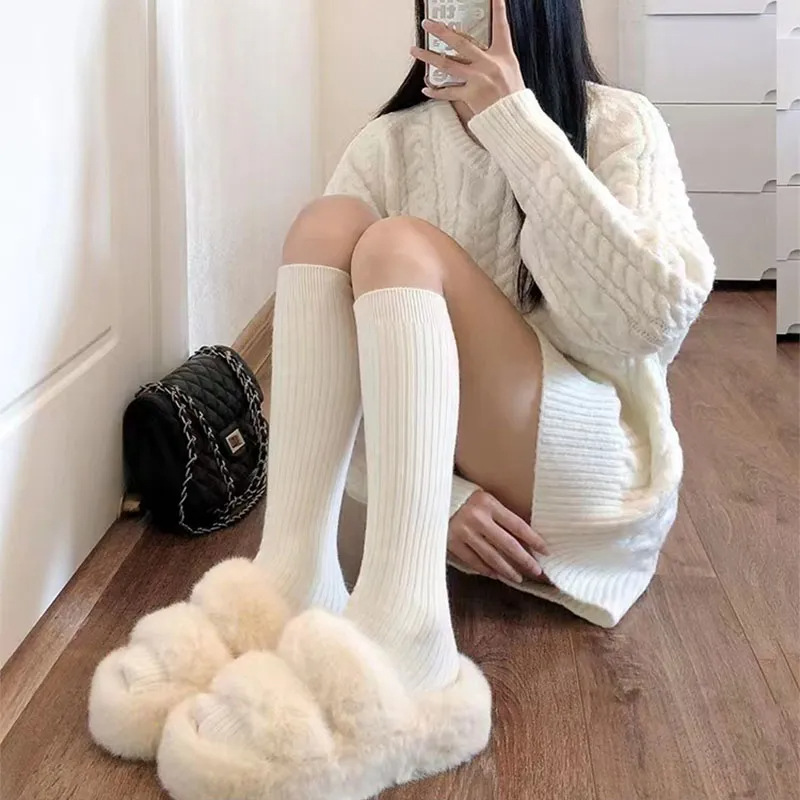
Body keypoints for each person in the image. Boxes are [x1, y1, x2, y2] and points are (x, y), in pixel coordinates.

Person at [89, 1, 716, 797]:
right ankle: (290, 582)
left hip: (585, 466)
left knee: (395, 244)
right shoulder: (391, 142)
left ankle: (411, 645)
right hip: (447, 486)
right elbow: (339, 374)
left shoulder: (620, 123)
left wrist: (519, 128)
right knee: (328, 225)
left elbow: (648, 324)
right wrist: (442, 499)